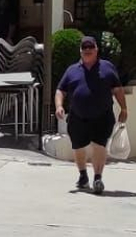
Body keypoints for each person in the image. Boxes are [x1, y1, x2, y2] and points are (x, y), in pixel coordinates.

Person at [54, 34, 127, 193]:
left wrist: (124, 108)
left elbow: (117, 89)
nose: (87, 50)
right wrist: (59, 106)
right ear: (80, 51)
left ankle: (98, 178)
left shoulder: (107, 67)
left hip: (103, 115)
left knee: (99, 145)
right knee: (78, 147)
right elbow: (61, 90)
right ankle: (83, 175)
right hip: (78, 116)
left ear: (96, 49)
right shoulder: (72, 70)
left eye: (90, 47)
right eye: (84, 48)